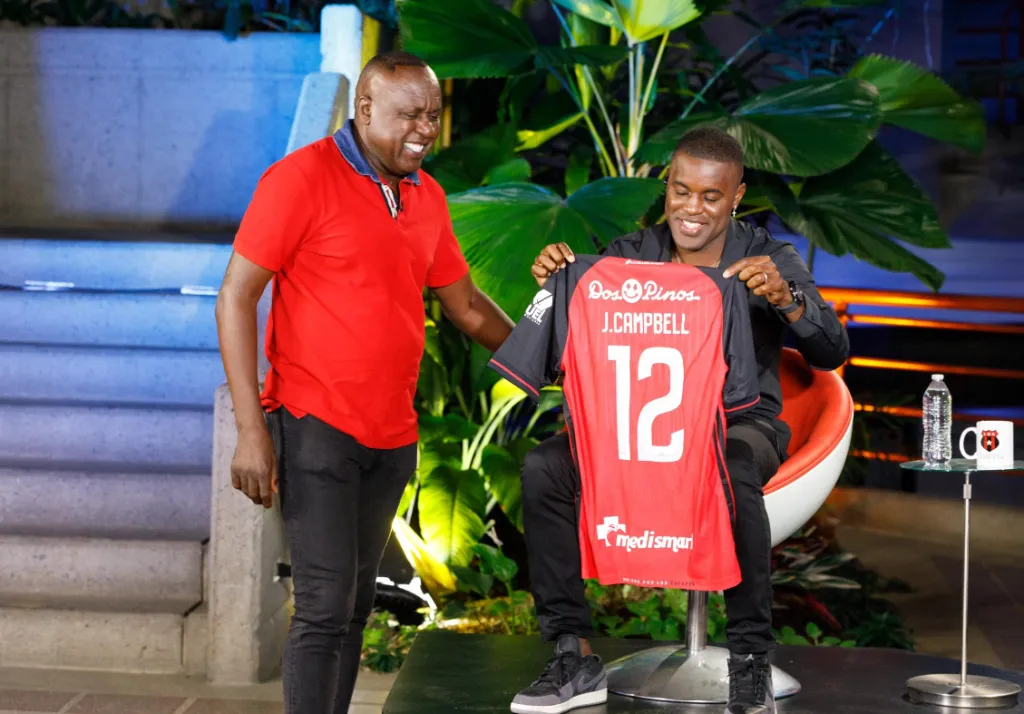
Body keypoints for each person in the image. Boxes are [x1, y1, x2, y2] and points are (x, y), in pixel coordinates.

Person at [511, 126, 850, 714]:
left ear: (737, 195)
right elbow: (577, 349)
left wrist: (786, 298)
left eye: (710, 196)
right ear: (667, 187)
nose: (692, 208)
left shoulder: (768, 256)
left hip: (737, 423)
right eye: (681, 190)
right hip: (640, 430)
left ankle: (749, 664)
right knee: (545, 467)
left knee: (731, 466)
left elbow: (831, 352)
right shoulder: (625, 256)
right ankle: (573, 655)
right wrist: (557, 282)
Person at [215, 51, 514, 714]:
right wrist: (248, 431)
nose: (425, 129)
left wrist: (548, 361)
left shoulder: (426, 195)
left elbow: (465, 306)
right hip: (315, 422)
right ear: (365, 110)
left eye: (433, 115)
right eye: (409, 114)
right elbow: (236, 297)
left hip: (392, 433)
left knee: (353, 605)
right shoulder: (299, 181)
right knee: (323, 606)